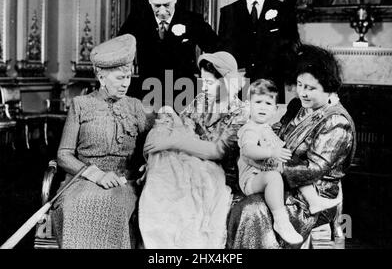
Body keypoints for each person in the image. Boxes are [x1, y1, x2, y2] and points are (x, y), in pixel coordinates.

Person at [226, 44, 356, 249]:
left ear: (329, 87)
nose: (302, 93)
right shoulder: (298, 106)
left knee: (252, 210)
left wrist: (270, 164)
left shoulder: (336, 122)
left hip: (312, 195)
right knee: (227, 196)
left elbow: (314, 170)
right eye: (300, 84)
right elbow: (277, 133)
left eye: (311, 88)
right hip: (282, 181)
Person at [51, 34, 154, 249]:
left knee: (112, 205)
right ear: (101, 76)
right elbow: (63, 154)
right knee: (76, 206)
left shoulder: (136, 107)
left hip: (122, 181)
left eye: (128, 77)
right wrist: (95, 174)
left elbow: (154, 144)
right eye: (119, 78)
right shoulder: (80, 105)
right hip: (82, 180)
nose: (125, 84)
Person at [138, 51, 249, 248]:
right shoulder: (201, 101)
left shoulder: (240, 112)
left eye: (210, 83)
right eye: (203, 82)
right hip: (190, 162)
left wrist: (173, 142)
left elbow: (219, 152)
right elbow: (184, 127)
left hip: (221, 170)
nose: (204, 88)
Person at [238, 78, 343, 246]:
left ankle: (314, 201)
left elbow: (283, 149)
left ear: (274, 109)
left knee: (294, 167)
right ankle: (281, 221)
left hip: (265, 170)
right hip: (251, 179)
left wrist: (288, 157)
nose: (263, 107)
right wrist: (272, 152)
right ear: (248, 105)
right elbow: (247, 150)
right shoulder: (250, 128)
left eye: (268, 103)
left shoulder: (267, 128)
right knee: (273, 177)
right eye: (257, 102)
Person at [118, 0, 219, 108]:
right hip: (149, 95)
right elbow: (119, 50)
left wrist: (207, 71)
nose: (162, 11)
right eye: (157, 5)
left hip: (184, 96)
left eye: (167, 5)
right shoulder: (136, 20)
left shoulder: (193, 20)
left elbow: (217, 49)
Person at [218, 0, 299, 100]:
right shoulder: (228, 12)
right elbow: (223, 53)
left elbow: (292, 49)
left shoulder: (284, 11)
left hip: (272, 89)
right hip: (238, 90)